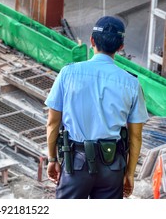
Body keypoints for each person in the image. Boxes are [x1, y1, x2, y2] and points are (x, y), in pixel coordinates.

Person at [45, 16, 148, 199]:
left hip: (75, 164)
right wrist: (129, 174)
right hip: (112, 167)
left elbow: (53, 123)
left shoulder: (68, 74)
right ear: (120, 47)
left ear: (92, 40)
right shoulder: (131, 84)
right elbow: (135, 136)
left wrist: (52, 159)